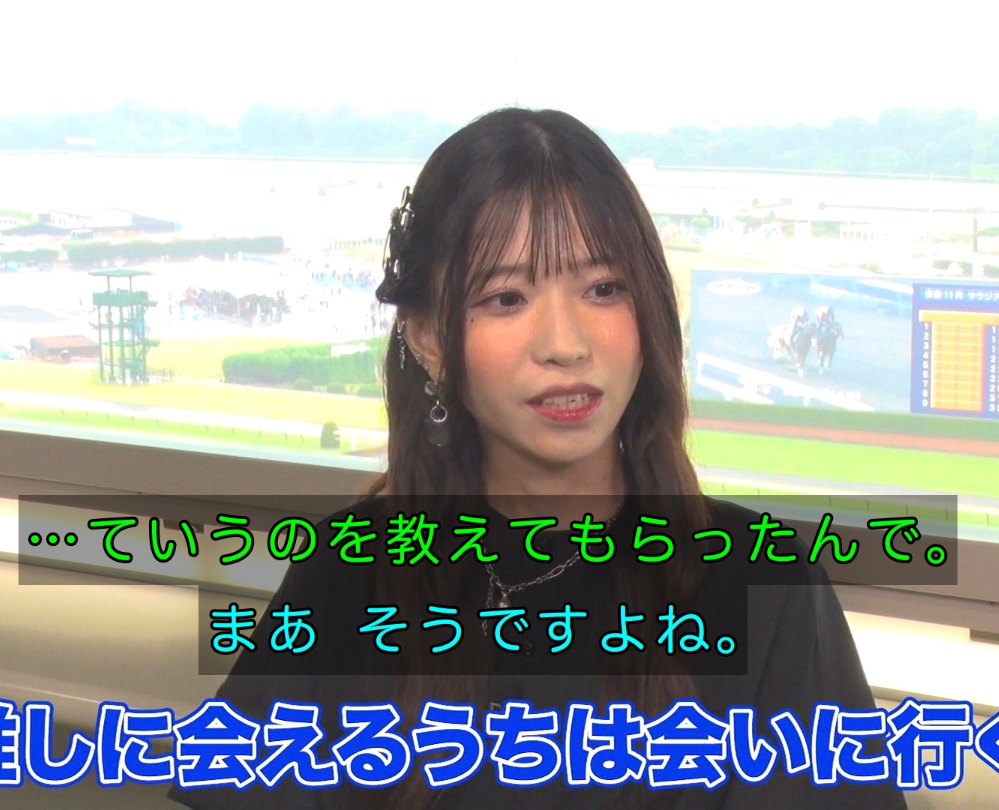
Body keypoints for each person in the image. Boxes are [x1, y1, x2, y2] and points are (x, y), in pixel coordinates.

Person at [169, 108, 904, 809]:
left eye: (603, 289)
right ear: (427, 338)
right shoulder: (348, 571)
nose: (565, 343)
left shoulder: (761, 580)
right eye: (507, 298)